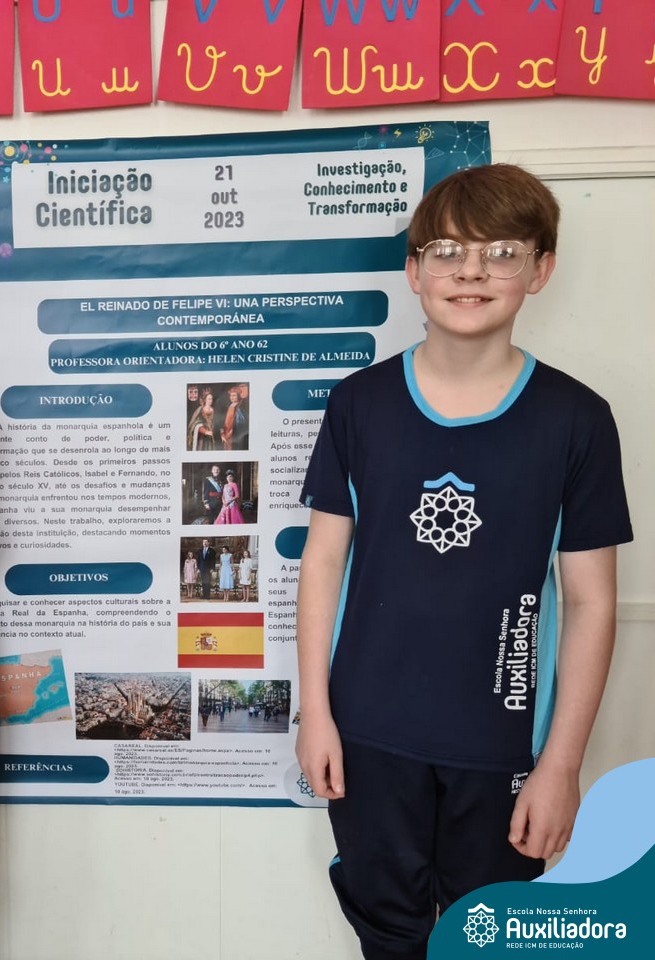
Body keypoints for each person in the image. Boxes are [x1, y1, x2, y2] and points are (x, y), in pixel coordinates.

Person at [295, 164, 632, 960]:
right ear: (414, 271)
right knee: (389, 933)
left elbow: (590, 602)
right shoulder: (359, 404)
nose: (472, 271)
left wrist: (561, 766)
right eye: (447, 251)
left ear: (540, 270)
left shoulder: (578, 421)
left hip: (504, 742)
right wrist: (316, 714)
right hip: (369, 733)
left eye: (501, 252)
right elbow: (323, 563)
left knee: (491, 935)